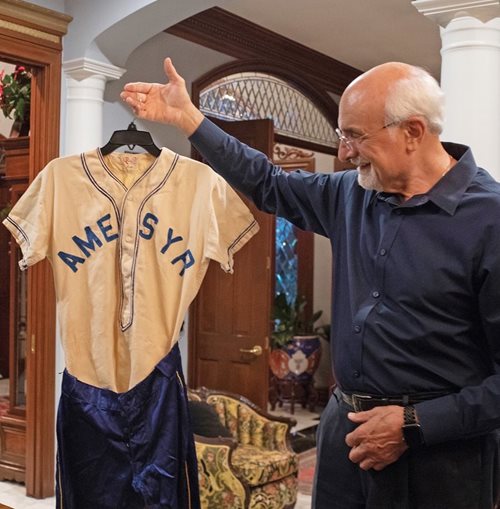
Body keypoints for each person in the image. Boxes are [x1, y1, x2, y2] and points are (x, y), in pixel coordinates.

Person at [121, 58, 500, 509]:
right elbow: (268, 181)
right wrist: (190, 119)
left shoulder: (490, 220)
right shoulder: (350, 194)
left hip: (440, 457)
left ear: (413, 132)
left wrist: (414, 424)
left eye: (355, 136)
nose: (344, 152)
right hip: (345, 435)